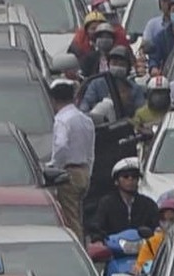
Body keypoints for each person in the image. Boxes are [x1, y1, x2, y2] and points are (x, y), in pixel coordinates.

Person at [48, 75, 94, 239]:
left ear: (53, 100)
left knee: (70, 219)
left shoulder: (62, 120)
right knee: (79, 216)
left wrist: (55, 166)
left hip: (68, 174)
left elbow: (61, 145)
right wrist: (88, 172)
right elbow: (90, 150)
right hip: (84, 172)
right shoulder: (85, 120)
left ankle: (77, 247)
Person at [87, 156, 157, 243]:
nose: (130, 179)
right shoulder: (106, 203)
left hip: (144, 248)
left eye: (134, 176)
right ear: (116, 181)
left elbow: (156, 228)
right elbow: (97, 226)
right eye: (125, 176)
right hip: (112, 248)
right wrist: (98, 240)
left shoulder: (149, 204)